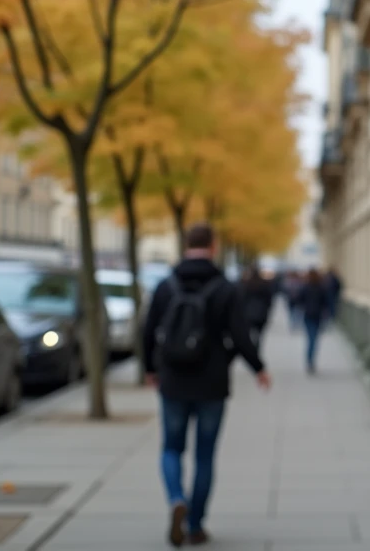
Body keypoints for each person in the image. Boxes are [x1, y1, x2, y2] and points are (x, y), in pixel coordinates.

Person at [143, 223, 272, 547]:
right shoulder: (226, 288)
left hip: (172, 378)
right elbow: (240, 335)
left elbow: (148, 330)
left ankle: (176, 499)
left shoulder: (165, 286)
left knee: (171, 447)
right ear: (213, 247)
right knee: (204, 455)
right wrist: (258, 368)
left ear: (185, 245)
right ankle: (195, 524)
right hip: (212, 382)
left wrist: (150, 368)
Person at [296, 268, 329, 374]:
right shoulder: (321, 287)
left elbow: (299, 300)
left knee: (310, 339)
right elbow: (326, 302)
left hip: (308, 315)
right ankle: (311, 360)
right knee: (314, 339)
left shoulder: (305, 287)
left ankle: (309, 360)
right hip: (317, 316)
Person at [239, 266, 275, 354]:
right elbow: (269, 300)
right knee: (259, 334)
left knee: (249, 333)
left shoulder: (246, 284)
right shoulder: (264, 284)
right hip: (261, 313)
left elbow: (242, 299)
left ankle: (251, 349)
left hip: (248, 313)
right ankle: (256, 348)